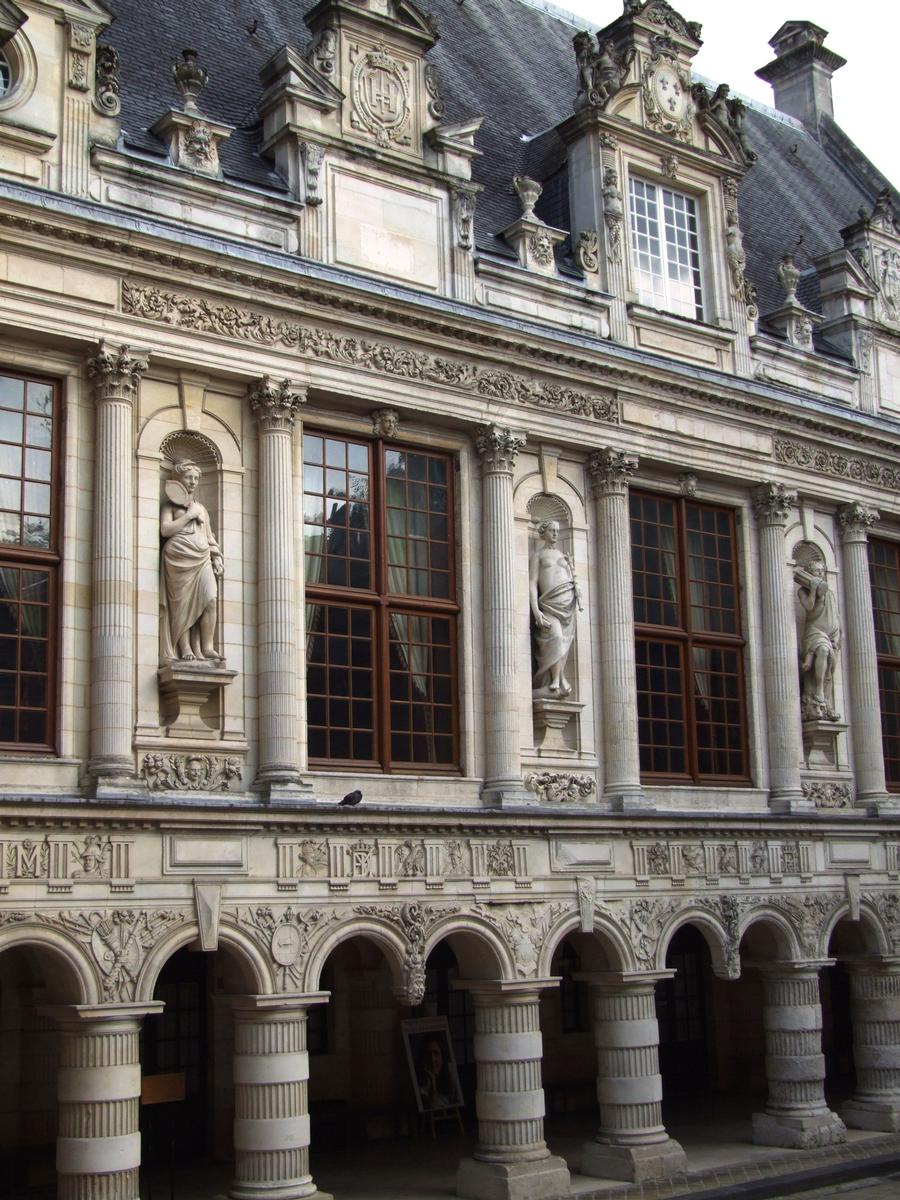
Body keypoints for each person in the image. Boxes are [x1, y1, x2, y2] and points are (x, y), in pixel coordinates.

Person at [160, 461, 223, 662]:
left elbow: (209, 537)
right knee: (182, 604)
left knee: (211, 598)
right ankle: (185, 647)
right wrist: (188, 516)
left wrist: (217, 557)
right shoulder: (170, 506)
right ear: (178, 480)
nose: (193, 482)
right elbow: (165, 530)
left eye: (196, 478)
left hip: (202, 557)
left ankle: (207, 647)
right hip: (178, 558)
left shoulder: (201, 508)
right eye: (189, 477)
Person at [529, 519, 582, 696]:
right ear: (543, 532)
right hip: (548, 604)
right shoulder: (539, 555)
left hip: (567, 604)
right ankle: (554, 679)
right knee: (557, 637)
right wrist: (536, 610)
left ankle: (558, 679)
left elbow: (570, 579)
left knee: (565, 641)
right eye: (552, 530)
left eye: (557, 531)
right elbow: (532, 583)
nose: (555, 534)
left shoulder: (563, 555)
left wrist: (577, 589)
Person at [796, 558, 841, 720]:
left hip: (830, 636)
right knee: (822, 650)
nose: (820, 574)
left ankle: (825, 702)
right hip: (814, 632)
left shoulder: (830, 593)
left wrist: (837, 634)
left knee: (829, 666)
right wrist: (814, 589)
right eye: (817, 571)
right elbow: (808, 606)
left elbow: (835, 616)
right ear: (809, 573)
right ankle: (819, 694)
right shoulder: (803, 591)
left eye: (822, 571)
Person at [417, 1035, 458, 1111]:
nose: (433, 1059)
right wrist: (433, 1081)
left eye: (436, 1053)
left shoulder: (451, 1070)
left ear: (442, 1055)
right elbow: (433, 1107)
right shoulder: (423, 1077)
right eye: (429, 1055)